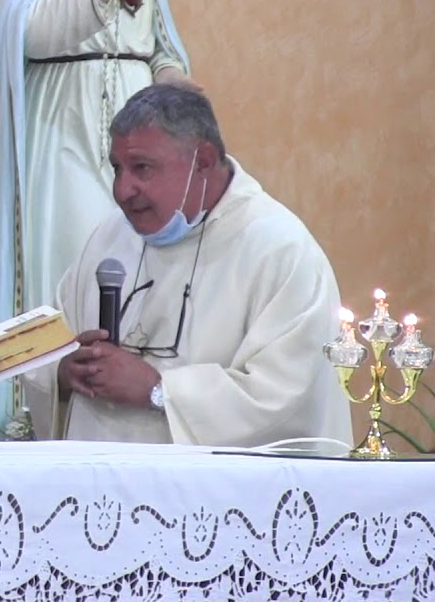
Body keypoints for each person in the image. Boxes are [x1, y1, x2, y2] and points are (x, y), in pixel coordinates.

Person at [0, 0, 196, 434]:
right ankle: (45, 422)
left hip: (141, 130)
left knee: (144, 271)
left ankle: (120, 422)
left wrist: (171, 79)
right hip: (66, 124)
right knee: (79, 260)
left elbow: (159, 39)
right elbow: (17, 30)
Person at [23, 84, 352, 446]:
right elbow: (50, 346)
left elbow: (287, 399)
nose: (122, 190)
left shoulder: (280, 251)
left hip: (210, 498)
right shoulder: (111, 236)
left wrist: (158, 390)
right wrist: (66, 372)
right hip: (97, 486)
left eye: (142, 168)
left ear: (204, 161)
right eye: (117, 168)